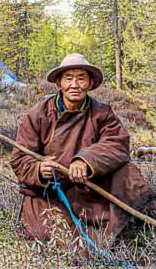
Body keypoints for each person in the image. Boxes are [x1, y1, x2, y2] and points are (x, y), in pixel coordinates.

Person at [10, 53, 151, 242]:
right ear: (59, 83)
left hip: (89, 190)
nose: (74, 85)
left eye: (81, 78)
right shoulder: (38, 114)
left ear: (90, 83)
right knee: (47, 232)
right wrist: (39, 169)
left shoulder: (102, 112)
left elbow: (117, 143)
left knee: (128, 174)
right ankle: (99, 237)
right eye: (68, 78)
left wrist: (85, 161)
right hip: (52, 193)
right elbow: (20, 158)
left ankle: (118, 228)